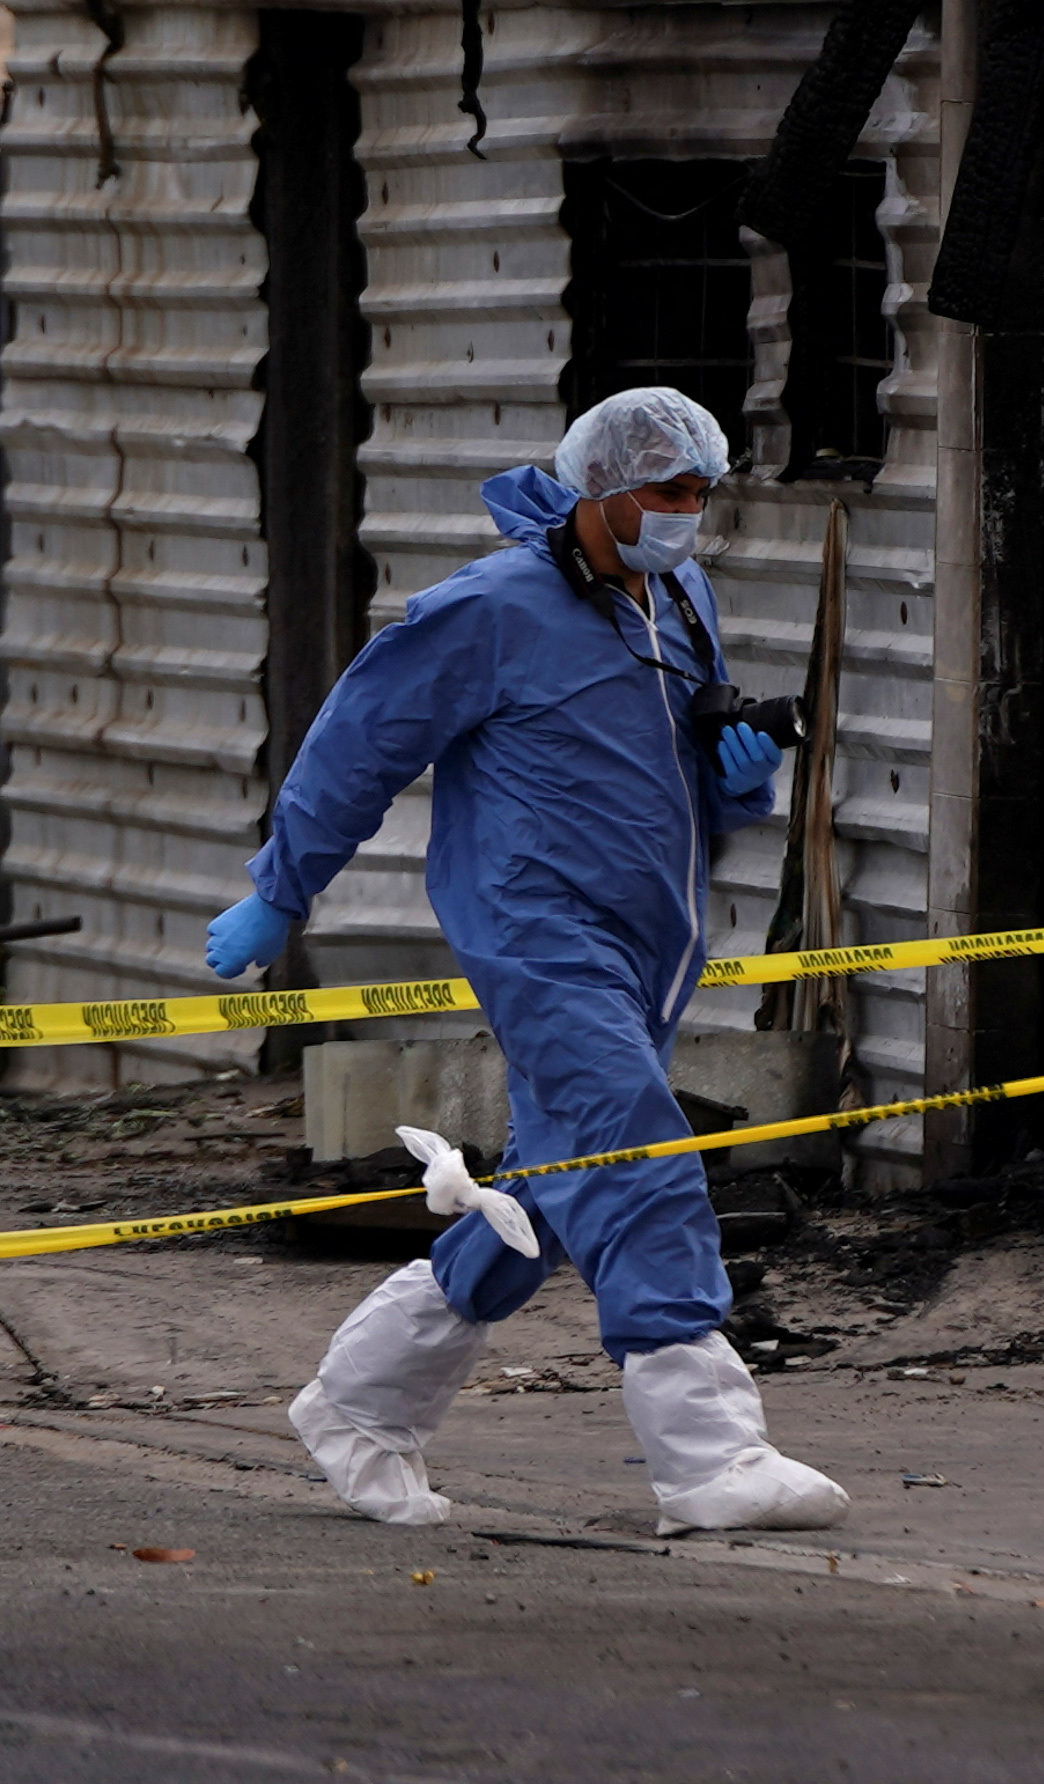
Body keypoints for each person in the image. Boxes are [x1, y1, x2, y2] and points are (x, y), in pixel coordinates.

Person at [203, 384, 851, 1537]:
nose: (687, 512)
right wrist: (278, 890)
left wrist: (743, 771)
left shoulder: (676, 594)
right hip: (540, 931)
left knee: (548, 1198)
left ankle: (359, 1406)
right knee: (643, 1152)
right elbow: (360, 738)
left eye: (701, 491)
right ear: (598, 490)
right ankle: (709, 1454)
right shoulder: (490, 608)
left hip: (652, 941)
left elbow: (691, 774)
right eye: (665, 491)